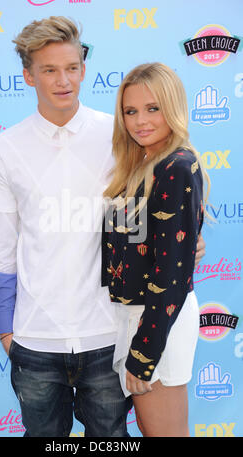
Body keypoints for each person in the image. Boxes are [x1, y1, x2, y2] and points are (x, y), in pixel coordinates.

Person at [0, 16, 205, 437]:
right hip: (36, 341)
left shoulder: (121, 135)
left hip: (109, 334)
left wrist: (187, 244)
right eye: (49, 69)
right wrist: (8, 331)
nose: (63, 80)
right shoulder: (5, 149)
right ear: (29, 75)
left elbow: (155, 214)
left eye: (71, 67)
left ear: (83, 69)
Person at [102, 62, 210, 437]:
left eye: (153, 108)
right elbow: (133, 249)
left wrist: (144, 354)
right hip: (134, 317)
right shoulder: (142, 164)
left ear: (173, 107)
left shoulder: (177, 166)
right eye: (130, 111)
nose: (140, 121)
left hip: (158, 320)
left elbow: (170, 275)